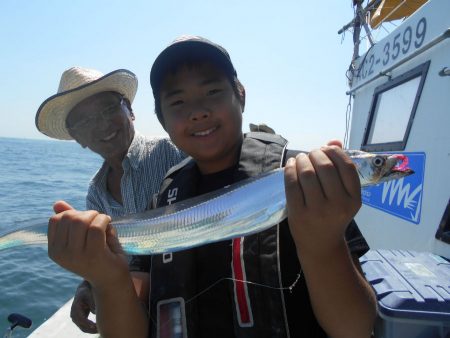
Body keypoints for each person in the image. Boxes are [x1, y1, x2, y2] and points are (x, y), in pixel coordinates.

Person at [47, 36, 377, 338]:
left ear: (241, 95)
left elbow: (357, 329)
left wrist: (323, 244)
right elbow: (130, 301)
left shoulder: (301, 182)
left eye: (213, 92)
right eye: (177, 103)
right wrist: (103, 280)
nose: (198, 112)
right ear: (163, 119)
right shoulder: (157, 198)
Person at [35, 66, 184, 333]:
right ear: (77, 138)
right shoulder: (96, 192)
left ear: (130, 111)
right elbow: (105, 256)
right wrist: (87, 285)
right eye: (85, 122)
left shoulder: (174, 154)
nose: (102, 125)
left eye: (108, 110)